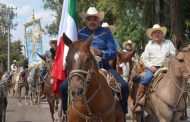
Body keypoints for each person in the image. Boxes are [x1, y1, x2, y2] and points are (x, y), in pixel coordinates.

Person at [60, 7, 129, 115]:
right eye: (89, 19)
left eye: (94, 19)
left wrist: (101, 53)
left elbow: (112, 52)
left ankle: (122, 114)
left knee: (124, 86)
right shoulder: (79, 34)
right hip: (84, 68)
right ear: (86, 20)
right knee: (63, 87)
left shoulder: (106, 33)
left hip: (104, 67)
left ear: (99, 20)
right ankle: (66, 113)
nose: (92, 21)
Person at [133, 24, 176, 112]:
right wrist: (151, 66)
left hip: (168, 66)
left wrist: (170, 54)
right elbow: (145, 58)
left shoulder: (168, 43)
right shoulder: (148, 46)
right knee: (146, 79)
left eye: (158, 32)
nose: (157, 34)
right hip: (154, 67)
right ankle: (139, 102)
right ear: (152, 35)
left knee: (180, 78)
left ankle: (182, 100)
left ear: (162, 34)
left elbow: (174, 52)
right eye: (155, 33)